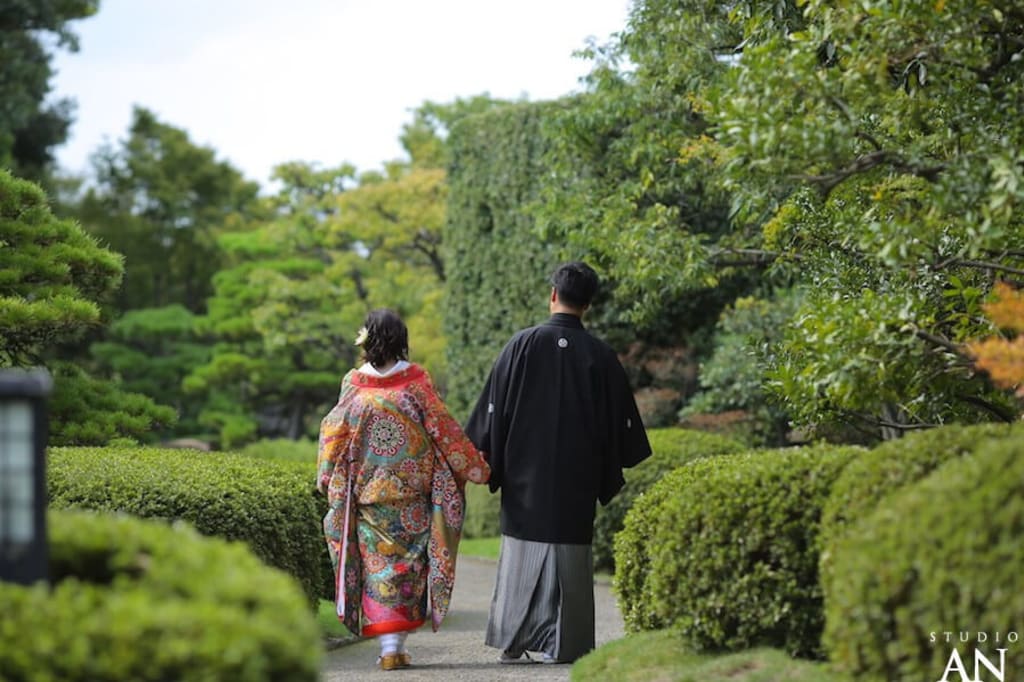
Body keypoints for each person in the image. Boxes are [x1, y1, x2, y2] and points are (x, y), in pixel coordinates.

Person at [465, 261, 651, 665]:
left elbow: (493, 411)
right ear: (589, 305)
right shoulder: (600, 356)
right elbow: (622, 425)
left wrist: (487, 456)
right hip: (577, 478)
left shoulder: (521, 345)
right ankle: (566, 644)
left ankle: (513, 640)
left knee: (520, 554)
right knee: (571, 557)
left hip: (523, 477)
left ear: (553, 295)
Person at [317, 309, 490, 671]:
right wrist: (474, 466)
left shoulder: (353, 383)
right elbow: (443, 427)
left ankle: (387, 648)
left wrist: (327, 472)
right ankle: (395, 647)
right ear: (401, 339)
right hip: (413, 494)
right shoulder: (415, 381)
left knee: (377, 568)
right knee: (408, 568)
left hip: (369, 494)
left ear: (366, 339)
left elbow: (334, 430)